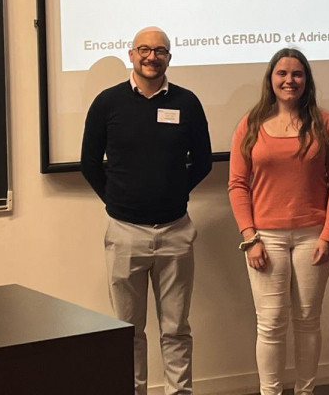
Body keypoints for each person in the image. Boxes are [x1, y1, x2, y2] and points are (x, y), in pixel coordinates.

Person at [81, 26, 212, 395]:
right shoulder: (107, 103)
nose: (151, 57)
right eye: (144, 49)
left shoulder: (187, 103)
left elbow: (202, 162)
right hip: (125, 233)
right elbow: (89, 163)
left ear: (169, 57)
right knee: (127, 330)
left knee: (176, 329)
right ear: (131, 54)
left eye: (160, 51)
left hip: (176, 231)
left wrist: (172, 193)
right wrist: (118, 199)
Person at [228, 48, 329, 395]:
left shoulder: (325, 124)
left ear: (306, 80)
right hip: (264, 239)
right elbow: (237, 184)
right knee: (270, 325)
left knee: (308, 322)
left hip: (314, 237)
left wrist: (328, 235)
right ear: (271, 79)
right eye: (282, 73)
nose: (289, 80)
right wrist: (250, 237)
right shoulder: (250, 124)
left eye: (297, 74)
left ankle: (305, 391)